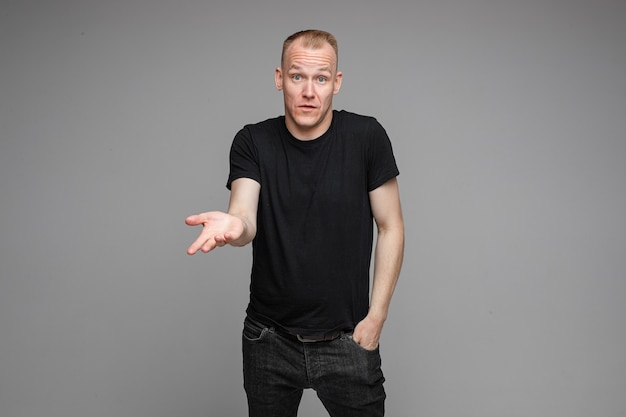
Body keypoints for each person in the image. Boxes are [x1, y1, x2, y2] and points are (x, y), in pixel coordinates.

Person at [186, 29, 404, 417]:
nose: (308, 91)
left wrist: (377, 318)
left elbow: (391, 226)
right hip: (269, 340)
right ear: (279, 78)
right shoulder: (253, 141)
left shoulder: (367, 137)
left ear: (336, 82)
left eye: (321, 78)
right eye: (297, 76)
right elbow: (243, 215)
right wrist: (234, 227)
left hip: (348, 338)